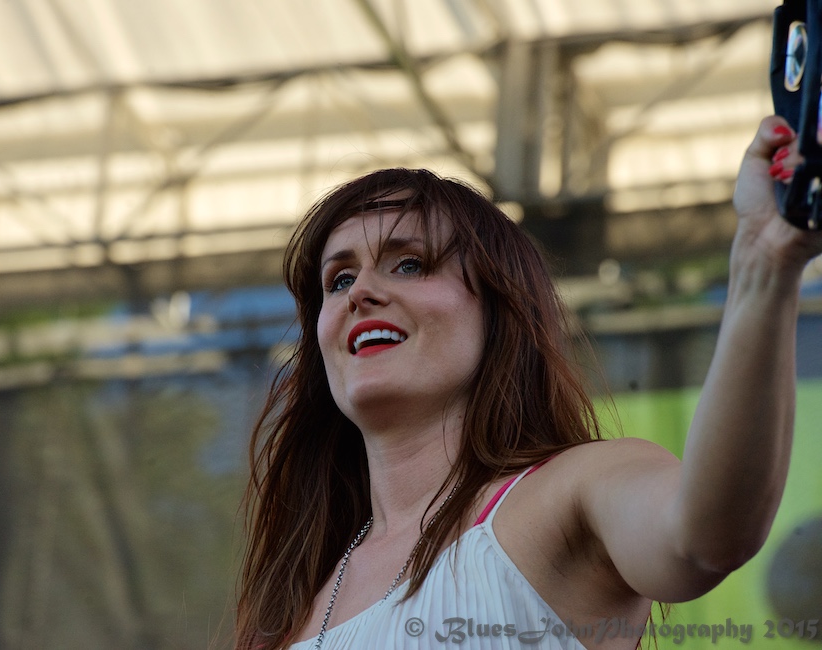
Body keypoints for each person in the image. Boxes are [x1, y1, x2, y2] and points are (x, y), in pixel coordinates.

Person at [234, 116, 822, 650]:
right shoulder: (294, 599)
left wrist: (764, 264)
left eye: (409, 264)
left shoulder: (567, 494)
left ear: (499, 313)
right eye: (338, 279)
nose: (360, 291)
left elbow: (706, 534)